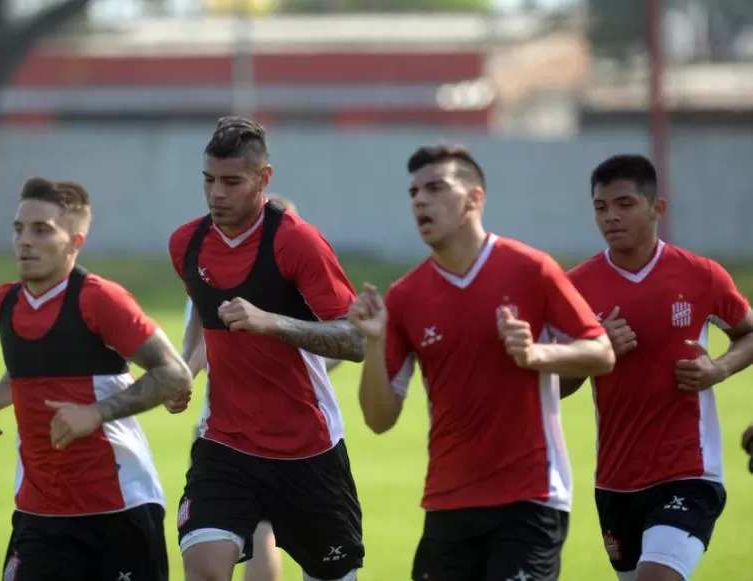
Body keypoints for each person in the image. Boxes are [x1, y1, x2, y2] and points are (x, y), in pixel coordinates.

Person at [347, 144, 615, 581]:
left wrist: (535, 355)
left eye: (435, 188)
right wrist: (374, 344)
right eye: (413, 191)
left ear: (474, 199)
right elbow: (378, 419)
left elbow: (601, 352)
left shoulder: (531, 269)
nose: (419, 200)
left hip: (530, 498)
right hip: (448, 502)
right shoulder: (405, 296)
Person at [0, 177, 193, 581]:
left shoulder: (100, 299)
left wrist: (96, 413)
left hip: (119, 509)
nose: (25, 241)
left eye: (41, 230)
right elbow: (26, 368)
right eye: (19, 229)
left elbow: (175, 373)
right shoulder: (5, 303)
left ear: (75, 242)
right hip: (40, 511)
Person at [168, 116, 366, 581]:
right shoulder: (187, 244)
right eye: (209, 180)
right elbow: (202, 309)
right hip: (225, 442)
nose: (217, 193)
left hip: (307, 448)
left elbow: (356, 339)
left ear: (264, 178)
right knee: (205, 568)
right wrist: (185, 369)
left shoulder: (297, 242)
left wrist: (273, 323)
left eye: (232, 182)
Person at [562, 154, 753, 581]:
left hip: (689, 471)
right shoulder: (574, 288)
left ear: (657, 208)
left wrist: (719, 368)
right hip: (615, 481)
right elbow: (551, 387)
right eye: (601, 207)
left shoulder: (701, 276)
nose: (611, 216)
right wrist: (596, 349)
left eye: (624, 204)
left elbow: (749, 333)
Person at [179, 192, 343, 581]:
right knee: (248, 538)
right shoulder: (208, 273)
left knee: (283, 542)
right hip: (226, 435)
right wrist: (178, 382)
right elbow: (199, 345)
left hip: (301, 440)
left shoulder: (299, 278)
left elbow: (344, 342)